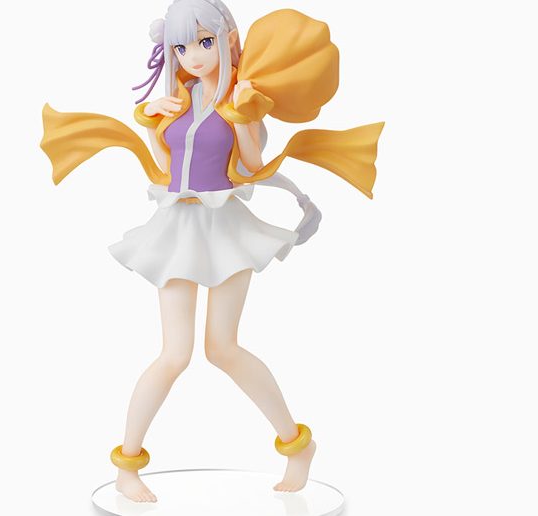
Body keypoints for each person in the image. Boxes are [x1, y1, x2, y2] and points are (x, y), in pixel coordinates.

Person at [40, 0, 384, 503]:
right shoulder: (182, 97)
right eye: (181, 47)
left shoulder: (243, 96)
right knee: (173, 353)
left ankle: (297, 445)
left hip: (224, 227)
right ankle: (126, 466)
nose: (193, 56)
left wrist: (245, 115)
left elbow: (251, 165)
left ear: (227, 39)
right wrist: (152, 124)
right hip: (178, 226)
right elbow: (167, 166)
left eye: (203, 42)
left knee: (222, 348)